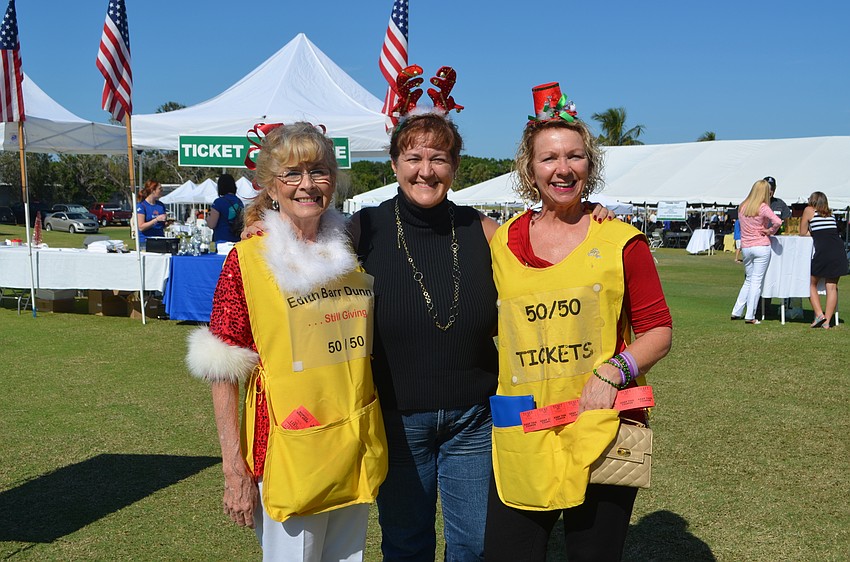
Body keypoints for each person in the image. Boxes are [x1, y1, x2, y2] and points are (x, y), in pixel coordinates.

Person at [241, 68, 613, 561]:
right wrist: (261, 229)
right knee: (406, 544)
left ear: (455, 166)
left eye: (439, 158)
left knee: (473, 546)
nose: (425, 170)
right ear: (394, 164)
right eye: (413, 157)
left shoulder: (484, 230)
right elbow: (303, 235)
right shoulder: (359, 231)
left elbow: (551, 255)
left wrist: (590, 215)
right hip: (396, 418)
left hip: (474, 421)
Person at [483, 82, 673, 561]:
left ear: (590, 164)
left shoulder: (620, 241)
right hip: (523, 429)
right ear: (529, 168)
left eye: (575, 156)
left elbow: (659, 330)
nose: (562, 169)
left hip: (602, 424)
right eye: (549, 158)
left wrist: (614, 372)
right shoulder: (502, 242)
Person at [186, 122, 387, 561]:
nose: (307, 185)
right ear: (269, 185)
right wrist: (233, 467)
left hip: (351, 439)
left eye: (319, 171)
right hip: (286, 448)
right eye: (292, 173)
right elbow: (222, 369)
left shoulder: (350, 250)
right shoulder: (249, 260)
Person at [730, 179, 782, 324]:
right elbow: (778, 221)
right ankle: (750, 315)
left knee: (748, 280)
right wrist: (770, 231)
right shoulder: (763, 207)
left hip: (746, 247)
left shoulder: (743, 206)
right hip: (761, 245)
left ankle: (737, 310)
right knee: (756, 282)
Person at [800, 191, 849, 329]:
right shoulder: (831, 214)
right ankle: (827, 321)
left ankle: (819, 314)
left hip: (824, 252)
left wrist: (814, 232)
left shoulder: (809, 210)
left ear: (812, 201)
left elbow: (802, 232)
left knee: (810, 283)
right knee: (832, 287)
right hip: (838, 251)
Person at [206, 173, 244, 243]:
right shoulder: (239, 202)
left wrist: (208, 217)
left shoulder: (218, 202)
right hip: (237, 240)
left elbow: (212, 224)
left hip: (222, 240)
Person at [135, 180, 167, 249]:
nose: (162, 191)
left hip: (160, 239)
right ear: (153, 190)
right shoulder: (141, 206)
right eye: (160, 189)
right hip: (146, 241)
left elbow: (161, 225)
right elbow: (141, 227)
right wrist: (156, 220)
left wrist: (167, 223)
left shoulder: (160, 205)